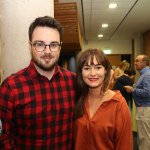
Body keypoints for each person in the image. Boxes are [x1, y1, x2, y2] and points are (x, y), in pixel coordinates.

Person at [0, 16, 76, 149]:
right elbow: (3, 137)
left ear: (60, 47)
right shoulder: (11, 87)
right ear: (30, 46)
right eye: (40, 44)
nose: (47, 51)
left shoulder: (73, 82)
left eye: (53, 45)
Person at [74, 49, 133, 150]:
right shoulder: (77, 99)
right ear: (81, 72)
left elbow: (125, 145)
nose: (92, 73)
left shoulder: (118, 104)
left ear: (106, 70)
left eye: (98, 67)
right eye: (87, 68)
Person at [124, 54, 150, 150]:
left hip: (145, 109)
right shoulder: (144, 74)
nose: (135, 63)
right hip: (143, 108)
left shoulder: (147, 75)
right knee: (143, 136)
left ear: (144, 62)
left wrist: (133, 90)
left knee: (145, 138)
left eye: (137, 61)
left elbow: (148, 92)